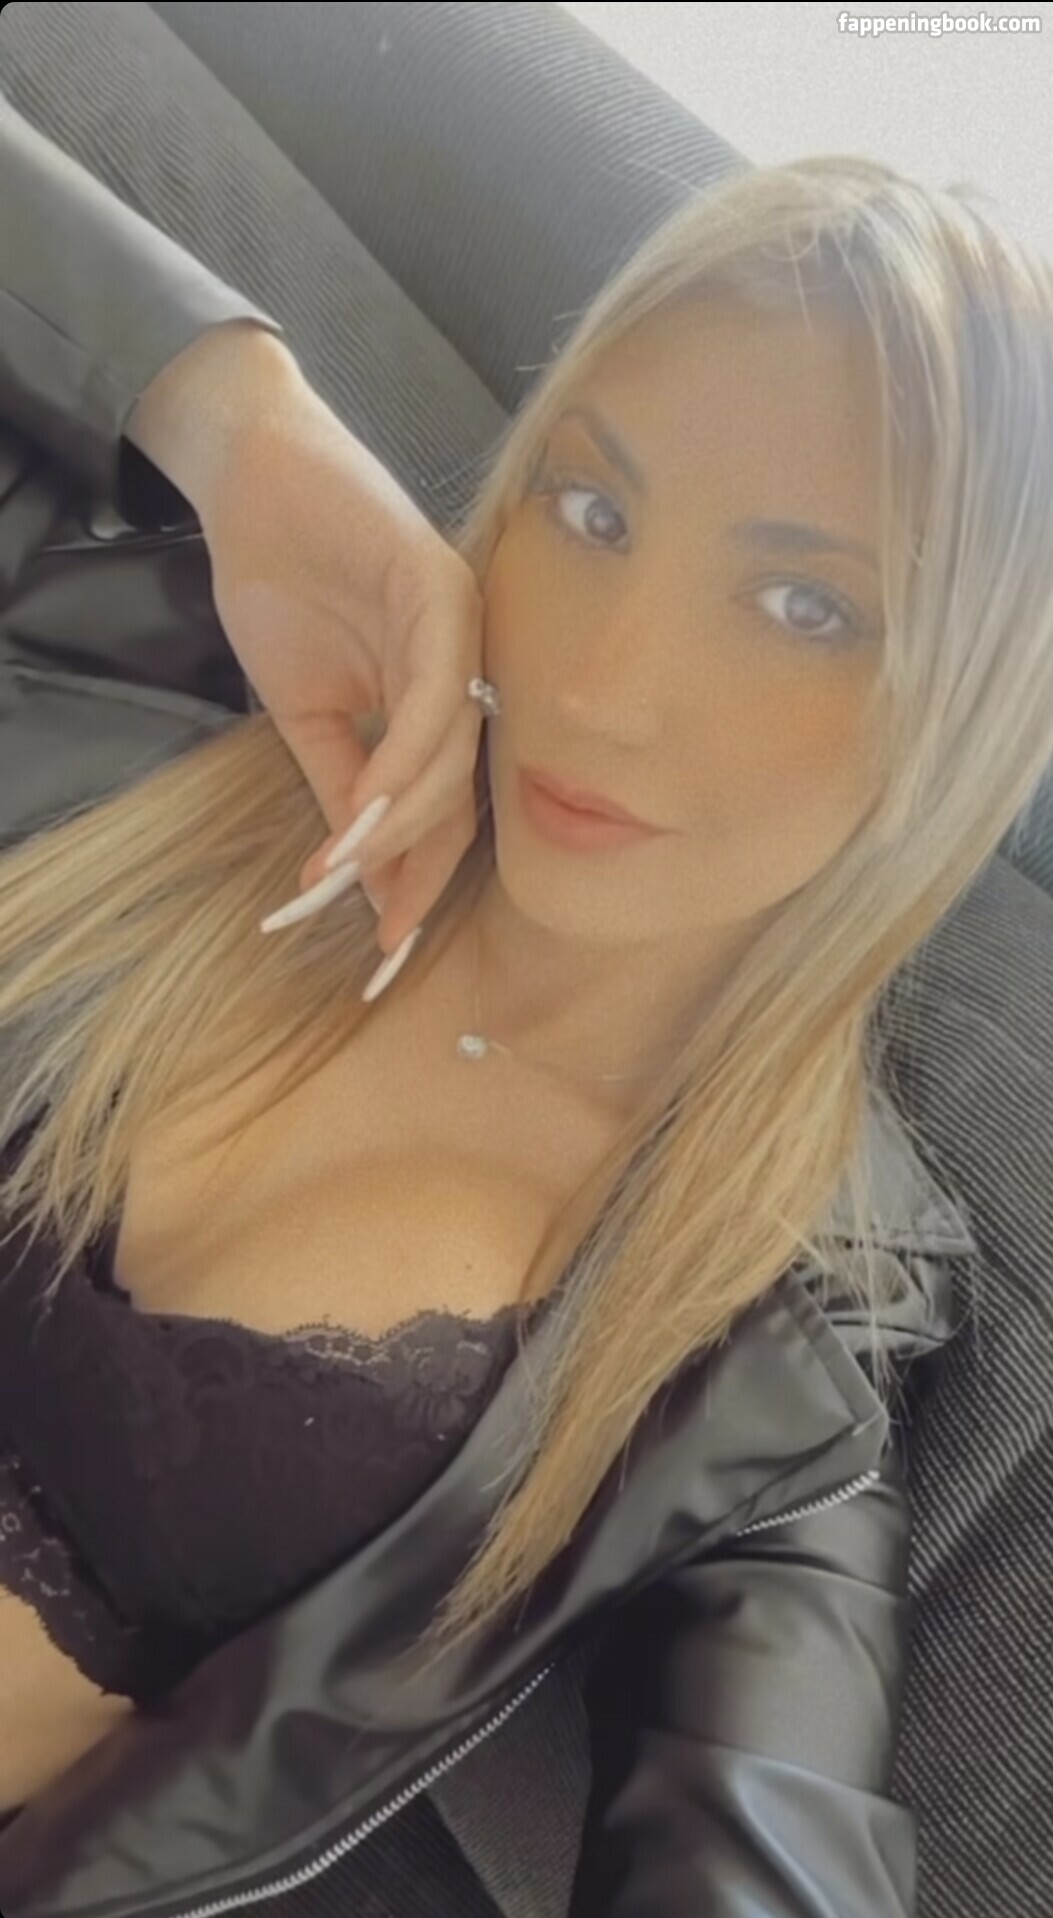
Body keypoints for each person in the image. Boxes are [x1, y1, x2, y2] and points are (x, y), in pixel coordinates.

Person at [0, 92, 1048, 1918]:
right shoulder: (220, 660)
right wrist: (237, 418)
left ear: (963, 712)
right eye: (590, 505)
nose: (604, 684)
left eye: (804, 607)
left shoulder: (769, 1365)